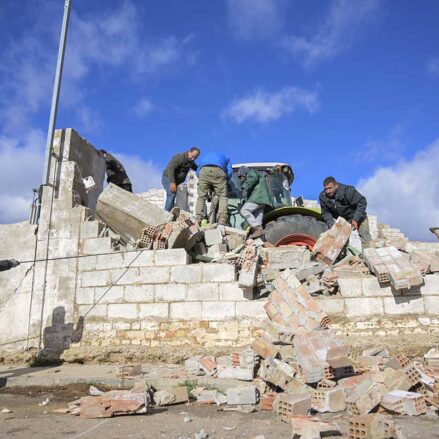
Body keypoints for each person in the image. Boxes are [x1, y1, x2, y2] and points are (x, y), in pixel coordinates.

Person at [319, 176, 372, 247]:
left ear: (336, 186)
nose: (328, 191)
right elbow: (325, 213)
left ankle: (367, 255)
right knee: (340, 243)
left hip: (358, 215)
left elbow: (362, 202)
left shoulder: (348, 191)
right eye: (326, 189)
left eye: (330, 188)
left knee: (366, 241)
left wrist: (356, 219)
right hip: (344, 221)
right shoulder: (323, 196)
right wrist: (332, 224)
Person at [195, 152, 232, 225]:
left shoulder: (206, 156)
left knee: (201, 197)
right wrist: (224, 180)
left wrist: (203, 180)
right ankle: (222, 220)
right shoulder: (226, 158)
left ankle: (198, 219)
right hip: (219, 169)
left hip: (204, 170)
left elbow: (198, 171)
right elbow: (230, 172)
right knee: (222, 196)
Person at [238, 166, 274, 239]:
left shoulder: (252, 172)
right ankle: (259, 232)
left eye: (241, 176)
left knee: (244, 210)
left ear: (244, 173)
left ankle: (257, 228)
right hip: (263, 201)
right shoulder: (255, 179)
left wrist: (244, 186)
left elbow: (253, 178)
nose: (241, 179)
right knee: (257, 219)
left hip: (258, 197)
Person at [162, 147, 200, 212]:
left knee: (173, 196)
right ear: (189, 151)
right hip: (167, 178)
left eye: (195, 158)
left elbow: (196, 168)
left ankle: (170, 213)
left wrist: (202, 170)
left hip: (175, 182)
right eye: (193, 156)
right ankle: (166, 214)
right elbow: (171, 168)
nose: (193, 159)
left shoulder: (191, 161)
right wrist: (172, 182)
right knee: (171, 194)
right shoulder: (179, 157)